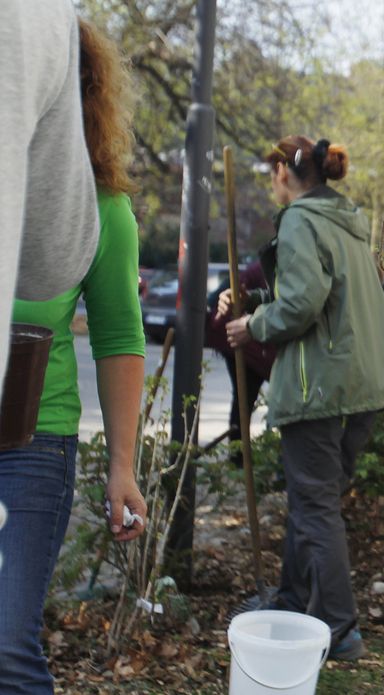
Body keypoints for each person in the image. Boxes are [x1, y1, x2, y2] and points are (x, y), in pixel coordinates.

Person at [219, 135, 384, 660]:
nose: (270, 183)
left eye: (271, 173)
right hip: (360, 385)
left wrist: (253, 324)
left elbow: (304, 301)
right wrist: (257, 298)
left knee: (314, 505)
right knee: (316, 506)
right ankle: (289, 601)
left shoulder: (301, 221)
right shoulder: (345, 219)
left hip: (321, 386)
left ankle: (338, 627)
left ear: (285, 171)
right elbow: (332, 296)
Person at [0, 19, 148, 693]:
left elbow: (119, 340)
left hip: (30, 446)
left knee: (5, 647)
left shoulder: (101, 208)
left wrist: (123, 467)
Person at [1, 1, 100, 396]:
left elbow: (121, 337)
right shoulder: (42, 12)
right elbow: (51, 261)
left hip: (44, 428)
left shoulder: (113, 211)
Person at [206, 261, 276, 468]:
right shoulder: (260, 271)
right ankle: (237, 458)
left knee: (253, 399)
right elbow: (232, 301)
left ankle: (246, 456)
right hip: (239, 342)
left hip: (253, 342)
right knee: (244, 399)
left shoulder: (271, 268)